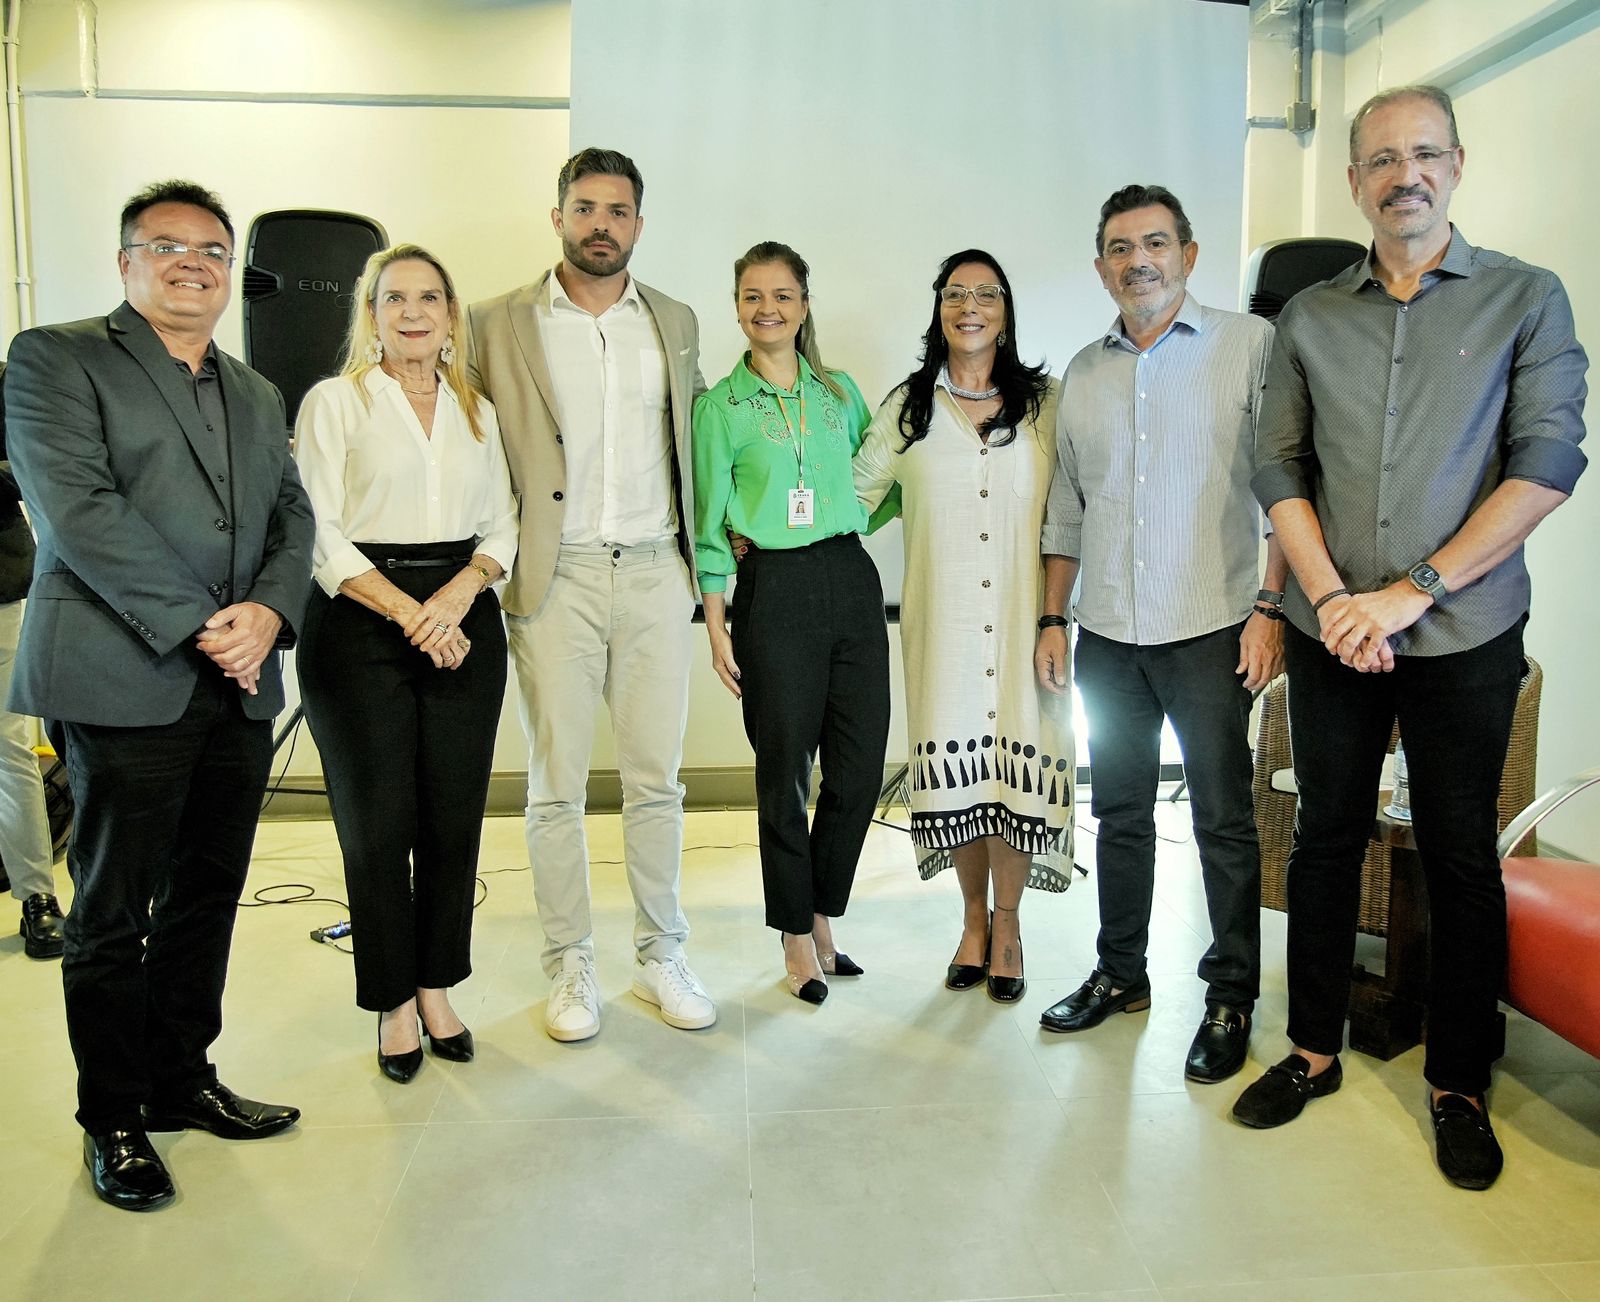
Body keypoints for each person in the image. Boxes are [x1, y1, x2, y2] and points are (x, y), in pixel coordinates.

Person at [1236, 85, 1588, 1191]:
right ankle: (1311, 1048)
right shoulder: (1311, 316)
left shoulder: (1526, 300)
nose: (1404, 175)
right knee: (1323, 839)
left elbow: (1546, 464)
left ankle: (1459, 1082)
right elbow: (1276, 467)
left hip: (1465, 631)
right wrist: (1337, 601)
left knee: (1456, 854)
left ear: (1456, 164)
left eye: (1423, 154)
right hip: (1328, 629)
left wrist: (1408, 595)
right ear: (1353, 182)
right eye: (1380, 159)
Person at [4, 179, 315, 1211]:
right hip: (117, 675)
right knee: (109, 910)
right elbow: (77, 511)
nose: (193, 263)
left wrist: (268, 614)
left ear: (232, 271)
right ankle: (116, 1117)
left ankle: (183, 1080)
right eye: (168, 246)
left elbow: (291, 516)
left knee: (205, 897)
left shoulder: (257, 390)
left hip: (236, 688)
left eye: (213, 250)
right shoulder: (56, 357)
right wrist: (206, 625)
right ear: (128, 262)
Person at [1034, 185, 1285, 1084]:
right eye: (1118, 247)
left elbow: (1286, 486)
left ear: (1189, 251)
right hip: (1108, 632)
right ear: (1100, 265)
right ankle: (1121, 972)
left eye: (1154, 243)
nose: (1137, 261)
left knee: (1222, 817)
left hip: (1212, 627)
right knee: (1121, 815)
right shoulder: (1085, 372)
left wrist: (1271, 610)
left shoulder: (1250, 347)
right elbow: (1069, 506)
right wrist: (1053, 617)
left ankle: (1230, 996)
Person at [466, 148, 716, 1041]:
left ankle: (661, 955)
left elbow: (696, 445)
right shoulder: (496, 321)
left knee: (657, 782)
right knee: (555, 787)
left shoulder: (677, 321)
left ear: (639, 225)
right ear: (559, 217)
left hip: (655, 571)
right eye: (585, 207)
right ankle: (570, 964)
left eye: (618, 210)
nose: (601, 223)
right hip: (555, 575)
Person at [295, 244, 518, 1083]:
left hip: (462, 615)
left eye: (431, 298)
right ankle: (390, 1001)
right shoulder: (335, 404)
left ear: (452, 315)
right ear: (372, 312)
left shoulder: (479, 410)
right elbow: (317, 528)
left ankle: (436, 986)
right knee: (378, 825)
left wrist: (455, 599)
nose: (414, 312)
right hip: (358, 622)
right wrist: (407, 612)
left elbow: (505, 520)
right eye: (396, 298)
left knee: (453, 820)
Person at [855, 249, 1073, 1004]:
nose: (970, 306)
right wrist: (754, 523)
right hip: (942, 633)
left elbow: (1070, 516)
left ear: (1006, 312)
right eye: (956, 294)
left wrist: (1058, 616)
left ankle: (1008, 927)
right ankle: (972, 923)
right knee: (964, 784)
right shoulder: (908, 409)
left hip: (1027, 630)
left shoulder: (1046, 405)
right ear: (939, 309)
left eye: (986, 294)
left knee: (1014, 781)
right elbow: (855, 494)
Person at [693, 241, 892, 1004]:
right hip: (771, 589)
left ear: (805, 305)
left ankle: (820, 908)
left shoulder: (840, 393)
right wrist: (717, 624)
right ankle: (795, 936)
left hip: (848, 575)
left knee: (859, 766)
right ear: (737, 307)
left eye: (782, 294)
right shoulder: (720, 409)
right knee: (783, 772)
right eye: (752, 296)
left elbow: (881, 472)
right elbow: (711, 526)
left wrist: (850, 514)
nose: (767, 308)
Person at [0, 363, 67, 959]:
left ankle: (36, 898)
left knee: (10, 749)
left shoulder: (11, 379)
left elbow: (26, 471)